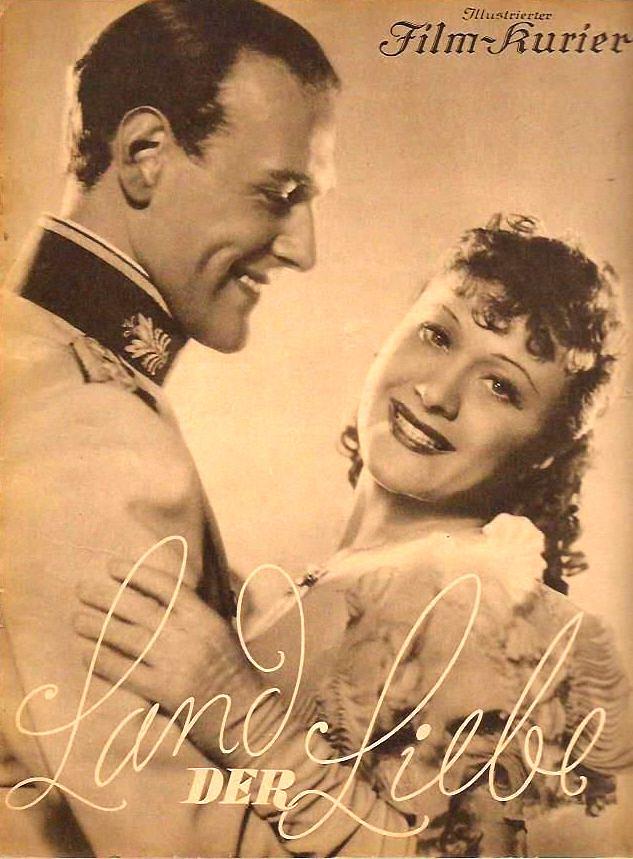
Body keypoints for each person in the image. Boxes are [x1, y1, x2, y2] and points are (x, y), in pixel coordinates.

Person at [76, 215, 632, 856]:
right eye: (437, 335)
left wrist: (239, 712)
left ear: (546, 450)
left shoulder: (486, 611)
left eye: (501, 386)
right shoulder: (325, 581)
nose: (438, 392)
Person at [0, 0, 340, 855]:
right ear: (145, 155)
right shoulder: (96, 441)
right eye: (279, 194)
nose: (302, 248)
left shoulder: (32, 361)